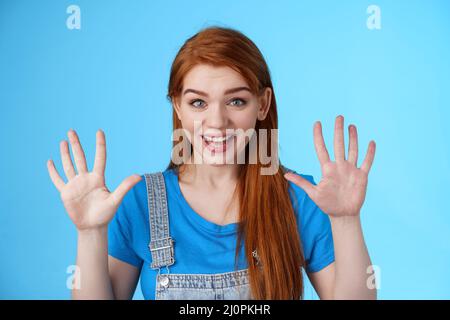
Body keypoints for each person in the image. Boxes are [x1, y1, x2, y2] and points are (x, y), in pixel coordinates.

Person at [47, 27, 376, 300]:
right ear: (178, 106)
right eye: (198, 102)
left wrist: (347, 221)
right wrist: (90, 233)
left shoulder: (300, 199)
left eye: (236, 100)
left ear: (262, 105)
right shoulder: (139, 202)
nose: (217, 122)